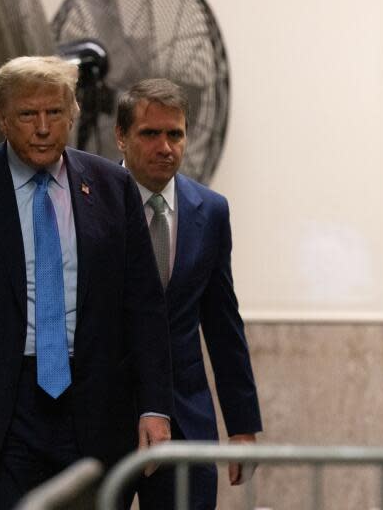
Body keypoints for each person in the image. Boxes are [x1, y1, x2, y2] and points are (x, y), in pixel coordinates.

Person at [0, 56, 173, 509]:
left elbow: (144, 305)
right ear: (2, 117)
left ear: (73, 114)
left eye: (55, 113)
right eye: (28, 115)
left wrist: (154, 407)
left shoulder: (112, 187)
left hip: (93, 408)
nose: (43, 127)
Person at [115, 78, 263, 509]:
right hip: (108, 417)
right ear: (121, 137)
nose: (165, 147)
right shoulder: (92, 203)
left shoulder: (210, 210)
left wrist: (242, 424)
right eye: (150, 134)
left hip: (187, 417)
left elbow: (222, 322)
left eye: (175, 134)